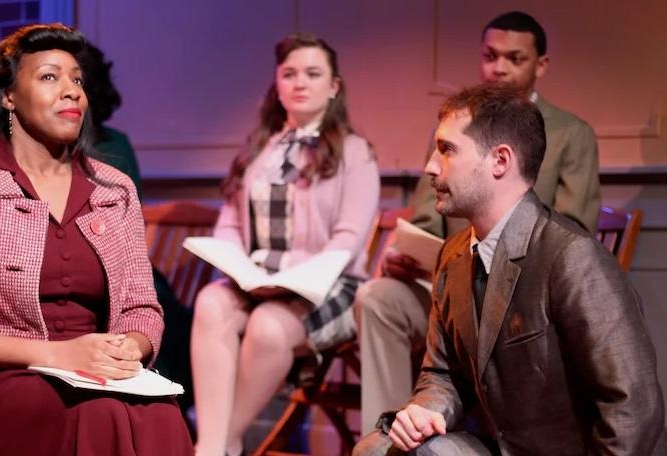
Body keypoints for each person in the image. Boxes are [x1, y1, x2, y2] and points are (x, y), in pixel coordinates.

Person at [0, 24, 193, 455]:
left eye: (77, 80)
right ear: (9, 96)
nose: (71, 91)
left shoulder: (114, 188)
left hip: (95, 371)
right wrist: (59, 355)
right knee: (100, 413)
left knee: (162, 414)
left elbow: (142, 305)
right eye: (49, 77)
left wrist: (127, 348)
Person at [353, 83, 665, 455]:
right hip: (497, 446)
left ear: (500, 161)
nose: (430, 167)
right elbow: (442, 373)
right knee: (377, 449)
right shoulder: (454, 255)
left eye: (447, 150)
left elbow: (634, 408)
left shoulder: (574, 258)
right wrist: (425, 411)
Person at [355, 11, 601, 435]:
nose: (499, 68)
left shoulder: (570, 133)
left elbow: (572, 232)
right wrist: (405, 255)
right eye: (490, 56)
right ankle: (388, 437)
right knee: (377, 297)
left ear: (541, 64)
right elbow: (427, 220)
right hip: (449, 287)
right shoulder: (457, 126)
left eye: (514, 58)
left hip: (522, 299)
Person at [190, 33, 379, 456]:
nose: (300, 83)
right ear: (277, 84)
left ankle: (218, 444)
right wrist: (243, 270)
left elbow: (348, 238)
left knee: (269, 326)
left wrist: (293, 280)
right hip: (259, 281)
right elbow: (229, 225)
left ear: (333, 86)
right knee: (210, 303)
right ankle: (215, 445)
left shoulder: (355, 152)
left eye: (312, 74)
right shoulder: (260, 150)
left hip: (326, 286)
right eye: (289, 74)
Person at [76, 41, 196, 422]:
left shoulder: (113, 144)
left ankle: (168, 408)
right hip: (64, 260)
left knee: (163, 307)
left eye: (77, 79)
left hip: (117, 259)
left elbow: (128, 222)